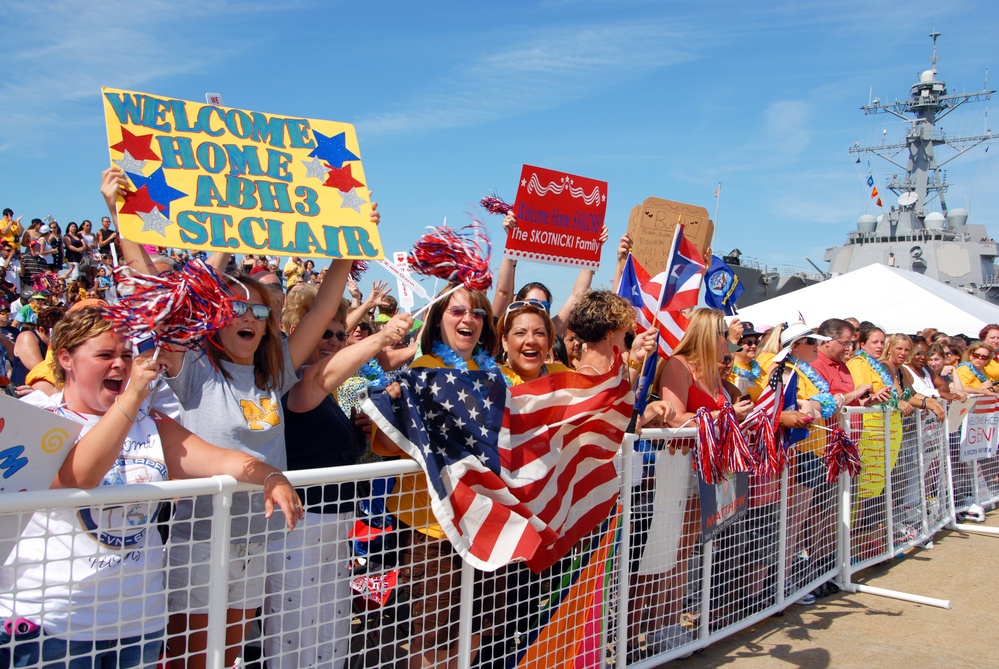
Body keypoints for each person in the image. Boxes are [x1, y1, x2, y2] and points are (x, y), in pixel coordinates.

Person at [100, 165, 360, 668]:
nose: (249, 318)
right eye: (236, 308)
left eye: (260, 313)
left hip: (256, 541)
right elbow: (157, 303)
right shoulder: (195, 369)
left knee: (228, 654)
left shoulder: (275, 371)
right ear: (216, 320)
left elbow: (326, 305)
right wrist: (120, 213)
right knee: (193, 658)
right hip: (201, 539)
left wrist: (348, 245)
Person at [0, 306, 301, 669]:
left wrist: (271, 476)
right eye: (105, 355)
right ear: (65, 358)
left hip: (137, 625)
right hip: (52, 627)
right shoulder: (40, 420)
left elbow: (222, 460)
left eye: (126, 355)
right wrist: (132, 397)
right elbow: (79, 476)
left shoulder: (150, 424)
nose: (119, 365)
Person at [264, 286, 412, 669]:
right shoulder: (292, 379)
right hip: (299, 526)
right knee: (294, 629)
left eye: (338, 334)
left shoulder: (326, 389)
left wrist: (354, 428)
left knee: (329, 625)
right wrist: (382, 336)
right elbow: (318, 382)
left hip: (334, 524)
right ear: (295, 331)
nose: (332, 340)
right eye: (322, 333)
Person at [373, 284, 503, 669]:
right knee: (430, 634)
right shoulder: (419, 371)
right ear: (437, 320)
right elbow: (385, 443)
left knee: (475, 627)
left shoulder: (495, 377)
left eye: (477, 314)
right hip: (431, 529)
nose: (469, 320)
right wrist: (394, 402)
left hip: (483, 525)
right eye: (458, 312)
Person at [491, 212, 609, 336]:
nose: (538, 309)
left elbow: (577, 295)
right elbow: (503, 292)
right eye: (532, 303)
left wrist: (593, 250)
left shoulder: (548, 334)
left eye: (544, 305)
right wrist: (511, 240)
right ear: (517, 304)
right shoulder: (504, 330)